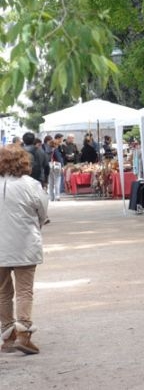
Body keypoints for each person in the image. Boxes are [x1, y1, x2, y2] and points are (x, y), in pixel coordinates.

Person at [0, 145, 49, 354]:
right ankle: (23, 333)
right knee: (24, 291)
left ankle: (8, 336)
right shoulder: (31, 184)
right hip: (25, 244)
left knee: (2, 292)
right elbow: (42, 212)